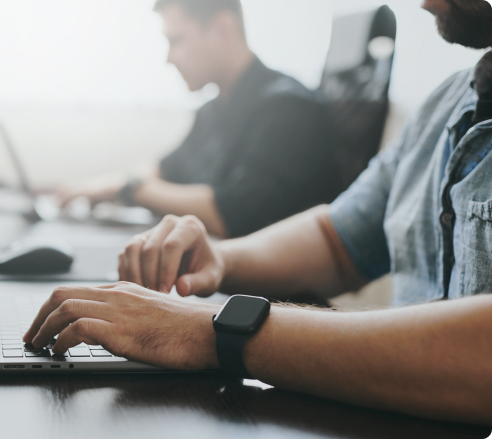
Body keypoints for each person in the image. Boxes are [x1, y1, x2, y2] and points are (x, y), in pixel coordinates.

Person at [24, 0, 492, 425]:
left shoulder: (285, 107)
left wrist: (212, 332)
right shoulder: (446, 102)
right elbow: (338, 238)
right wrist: (223, 259)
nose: (426, 3)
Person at [57, 0, 340, 238]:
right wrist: (104, 188)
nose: (169, 58)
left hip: (262, 294)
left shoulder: (288, 109)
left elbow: (229, 215)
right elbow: (165, 169)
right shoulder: (213, 111)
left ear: (222, 29)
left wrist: (130, 188)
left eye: (176, 40)